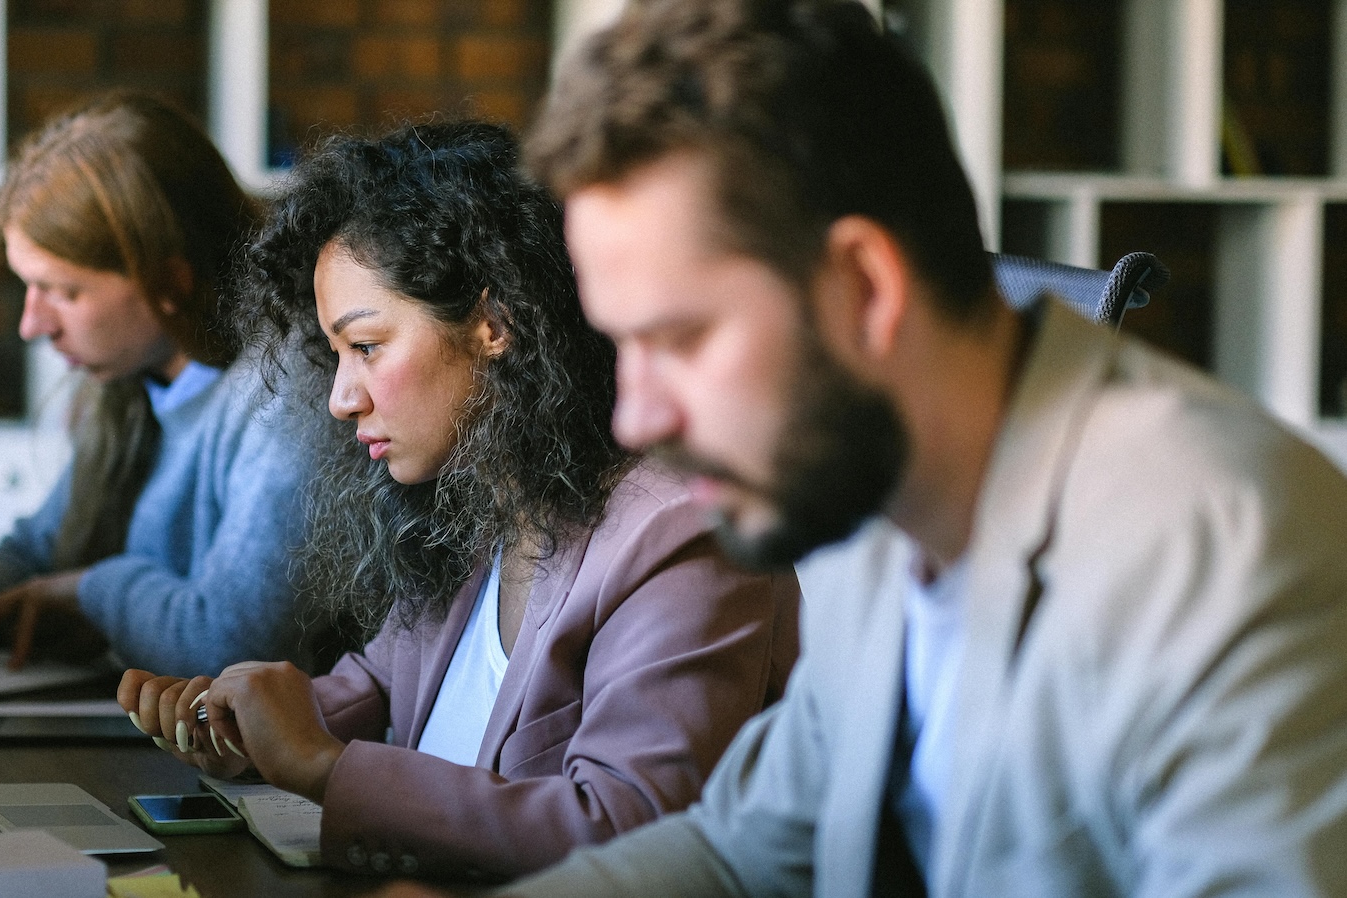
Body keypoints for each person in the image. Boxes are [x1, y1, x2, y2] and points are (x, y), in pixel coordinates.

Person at [453, 0, 1347, 895]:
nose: (634, 418)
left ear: (866, 288)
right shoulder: (873, 504)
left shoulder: (1225, 546)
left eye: (680, 340)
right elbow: (741, 849)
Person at [118, 121, 801, 881]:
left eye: (368, 346)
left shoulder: (682, 536)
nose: (342, 398)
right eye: (336, 355)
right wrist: (243, 721)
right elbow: (381, 688)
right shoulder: (482, 499)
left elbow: (628, 829)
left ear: (494, 322)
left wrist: (321, 766)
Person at [0, 91, 316, 677]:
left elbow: (232, 648)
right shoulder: (137, 378)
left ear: (170, 280)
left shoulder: (286, 392)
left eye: (65, 291)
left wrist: (89, 592)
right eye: (29, 287)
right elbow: (42, 549)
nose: (32, 325)